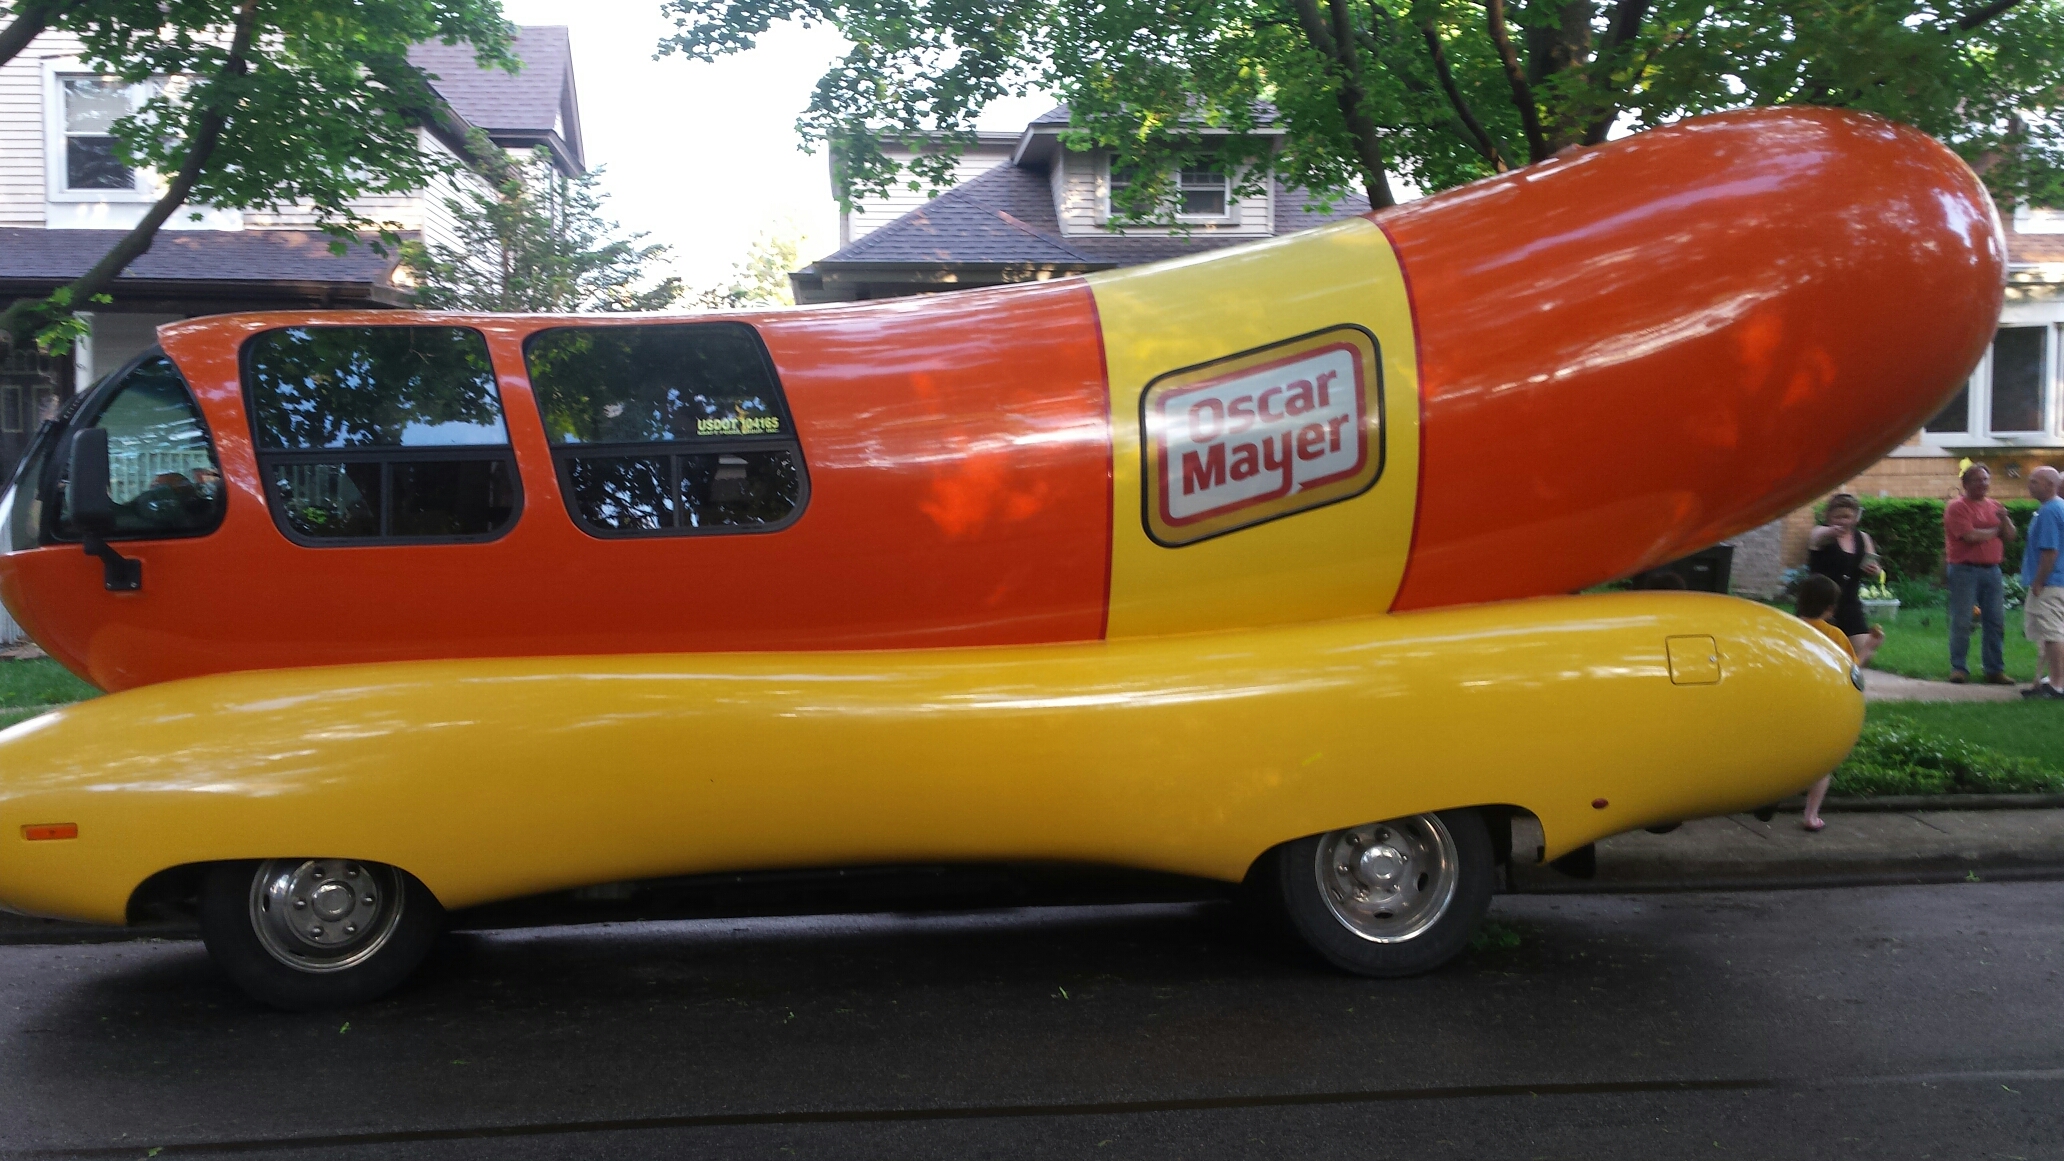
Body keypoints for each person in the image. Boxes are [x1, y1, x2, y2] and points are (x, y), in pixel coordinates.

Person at [1795, 573, 1881, 831]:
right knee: (1822, 765)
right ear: (1831, 608)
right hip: (1823, 706)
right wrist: (1869, 647)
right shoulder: (1833, 635)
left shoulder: (1787, 628)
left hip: (1791, 704)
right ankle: (1811, 815)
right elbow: (1851, 670)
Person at [1943, 464, 2015, 684]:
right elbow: (1970, 536)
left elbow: (2011, 536)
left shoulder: (1995, 506)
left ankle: (1994, 669)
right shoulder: (1957, 507)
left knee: (1995, 620)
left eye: (1985, 479)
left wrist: (2004, 520)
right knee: (1963, 620)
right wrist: (1996, 531)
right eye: (1977, 480)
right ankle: (1959, 668)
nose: (1983, 484)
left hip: (1992, 570)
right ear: (1965, 484)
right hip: (1964, 570)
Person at [1806, 493, 1883, 659]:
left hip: (1849, 603)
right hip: (1818, 604)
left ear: (1855, 518)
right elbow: (1816, 538)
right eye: (1837, 517)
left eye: (1847, 517)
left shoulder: (1863, 538)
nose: (1842, 521)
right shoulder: (1820, 532)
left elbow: (1875, 566)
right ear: (1828, 516)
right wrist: (1831, 532)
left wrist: (1874, 570)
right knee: (1819, 655)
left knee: (1863, 652)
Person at [2019, 466, 2064, 701]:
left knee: (2052, 633)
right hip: (2059, 581)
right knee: (2054, 632)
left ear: (2050, 485)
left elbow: (2050, 551)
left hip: (2050, 583)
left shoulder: (2049, 511)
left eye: (2034, 482)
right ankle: (2051, 680)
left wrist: (2038, 581)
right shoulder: (2058, 507)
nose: (2030, 485)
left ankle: (2057, 685)